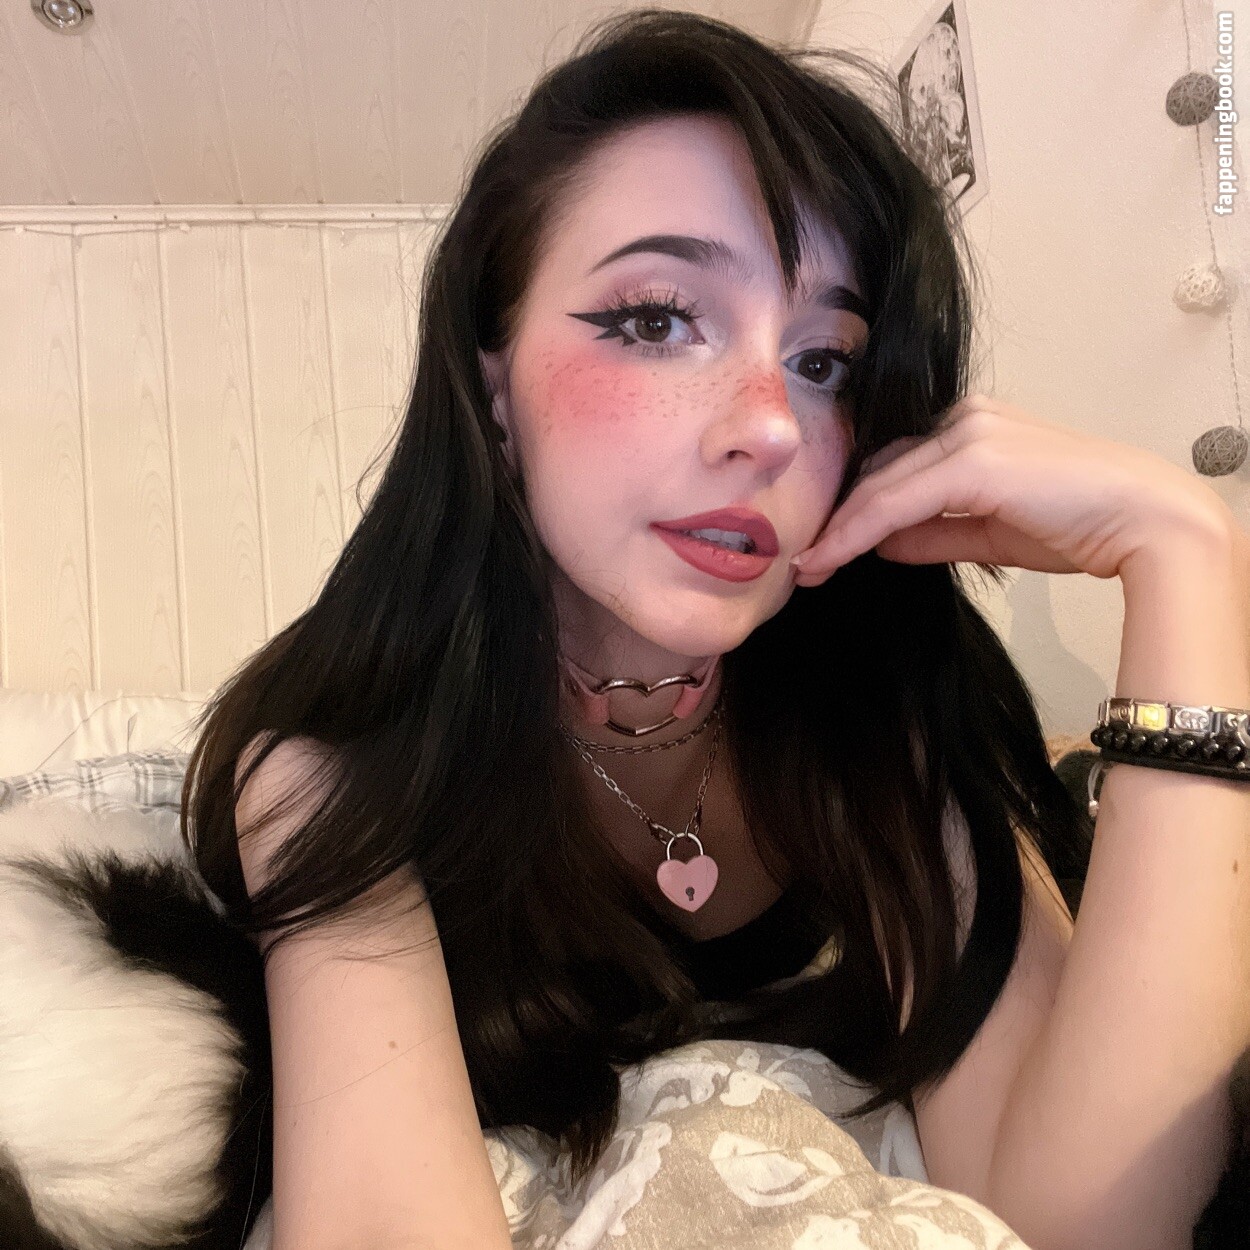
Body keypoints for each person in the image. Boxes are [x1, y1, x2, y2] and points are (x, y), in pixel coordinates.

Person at [183, 10, 1250, 1249]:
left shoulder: (883, 706)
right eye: (655, 318)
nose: (772, 425)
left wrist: (1182, 558)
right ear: (492, 384)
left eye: (824, 360)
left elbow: (1090, 1218)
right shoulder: (335, 763)